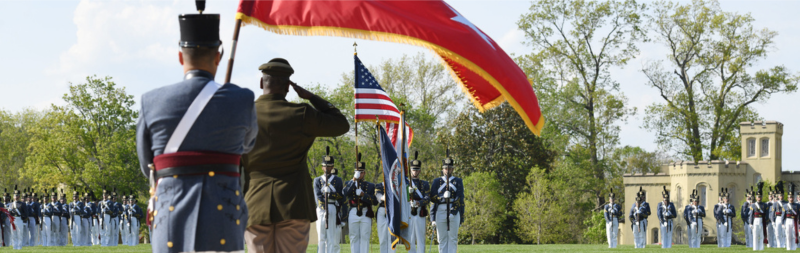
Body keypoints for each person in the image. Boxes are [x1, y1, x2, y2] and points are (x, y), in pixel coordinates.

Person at [135, 3, 257, 253]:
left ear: (180, 56)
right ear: (218, 57)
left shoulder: (151, 101)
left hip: (171, 215)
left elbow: (147, 162)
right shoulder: (242, 99)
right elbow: (248, 144)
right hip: (224, 215)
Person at [240, 56, 349, 253]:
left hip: (254, 203)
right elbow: (341, 124)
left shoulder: (243, 114)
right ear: (289, 86)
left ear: (260, 82)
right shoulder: (302, 114)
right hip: (294, 203)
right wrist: (312, 97)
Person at [430, 153, 464, 253]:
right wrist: (442, 199)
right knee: (441, 238)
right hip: (440, 210)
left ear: (452, 169)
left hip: (454, 209)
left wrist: (454, 212)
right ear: (443, 169)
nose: (447, 170)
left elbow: (460, 197)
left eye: (449, 168)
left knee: (453, 238)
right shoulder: (437, 181)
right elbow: (432, 197)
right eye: (445, 168)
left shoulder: (458, 181)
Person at [343, 157, 377, 253]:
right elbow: (345, 193)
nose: (360, 174)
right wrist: (353, 179)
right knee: (353, 237)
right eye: (357, 172)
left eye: (361, 172)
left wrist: (363, 195)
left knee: (365, 237)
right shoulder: (349, 183)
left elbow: (374, 201)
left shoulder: (370, 186)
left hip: (365, 211)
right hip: (353, 211)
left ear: (364, 173)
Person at [313, 148, 344, 253]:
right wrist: (323, 206)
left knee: (331, 237)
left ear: (332, 167)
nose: (327, 168)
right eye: (325, 166)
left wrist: (330, 194)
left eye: (329, 166)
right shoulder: (317, 180)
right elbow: (318, 195)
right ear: (322, 167)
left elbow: (340, 195)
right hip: (321, 209)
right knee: (321, 237)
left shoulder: (338, 180)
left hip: (332, 206)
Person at [407, 152, 430, 253]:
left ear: (419, 170)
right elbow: (403, 198)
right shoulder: (405, 183)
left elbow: (427, 198)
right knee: (410, 238)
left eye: (417, 170)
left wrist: (418, 203)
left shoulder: (424, 184)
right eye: (413, 170)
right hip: (408, 211)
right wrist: (408, 195)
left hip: (420, 211)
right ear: (410, 170)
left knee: (421, 238)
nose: (415, 172)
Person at [374, 182, 393, 253]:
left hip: (392, 210)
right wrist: (382, 197)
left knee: (392, 237)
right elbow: (377, 194)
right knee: (382, 238)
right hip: (382, 210)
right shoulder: (379, 185)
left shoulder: (396, 184)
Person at [751, 182, 768, 251]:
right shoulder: (753, 205)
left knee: (761, 235)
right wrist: (750, 223)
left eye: (760, 196)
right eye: (758, 197)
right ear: (756, 197)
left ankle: (761, 248)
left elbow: (766, 214)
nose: (759, 198)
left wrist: (766, 222)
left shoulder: (764, 205)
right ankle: (755, 248)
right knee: (755, 235)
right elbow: (751, 215)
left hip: (762, 220)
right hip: (755, 220)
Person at [772, 182, 786, 248]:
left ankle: (783, 245)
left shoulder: (786, 203)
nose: (781, 196)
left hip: (784, 218)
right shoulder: (775, 203)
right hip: (777, 218)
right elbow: (772, 213)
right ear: (778, 196)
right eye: (780, 195)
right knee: (777, 233)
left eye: (782, 195)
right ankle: (778, 245)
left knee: (784, 233)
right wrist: (773, 221)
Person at [785, 183, 799, 250]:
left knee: (794, 234)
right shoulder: (785, 205)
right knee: (788, 235)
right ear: (788, 198)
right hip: (788, 220)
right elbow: (783, 215)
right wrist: (782, 222)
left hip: (795, 220)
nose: (791, 198)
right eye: (790, 197)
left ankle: (794, 247)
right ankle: (788, 247)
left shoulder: (797, 205)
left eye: (792, 197)